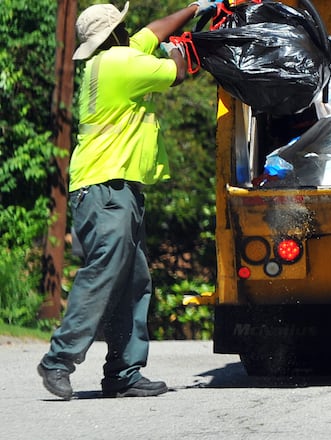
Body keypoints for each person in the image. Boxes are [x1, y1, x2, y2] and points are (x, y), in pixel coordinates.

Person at [37, 0, 221, 400]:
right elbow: (178, 70)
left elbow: (153, 32)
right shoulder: (121, 64)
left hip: (114, 190)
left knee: (134, 282)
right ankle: (59, 359)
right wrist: (187, 45)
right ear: (116, 33)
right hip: (105, 188)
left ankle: (123, 373)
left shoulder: (107, 61)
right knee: (105, 270)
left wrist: (192, 10)